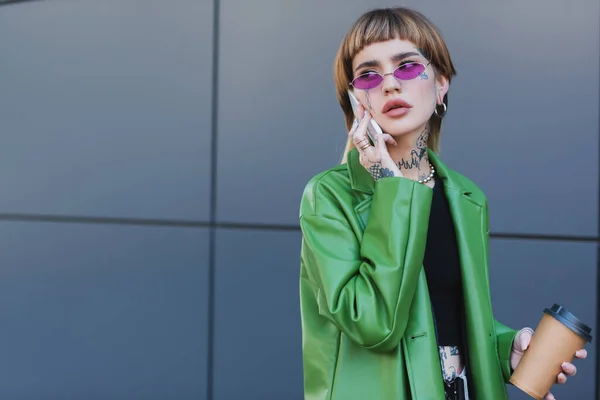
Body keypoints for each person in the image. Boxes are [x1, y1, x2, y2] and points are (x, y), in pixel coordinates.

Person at [298, 7, 587, 400]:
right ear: (354, 99)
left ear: (440, 85)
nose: (389, 85)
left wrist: (506, 348)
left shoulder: (467, 199)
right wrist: (388, 183)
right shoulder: (329, 196)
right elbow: (372, 324)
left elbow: (448, 312)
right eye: (368, 74)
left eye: (407, 67)